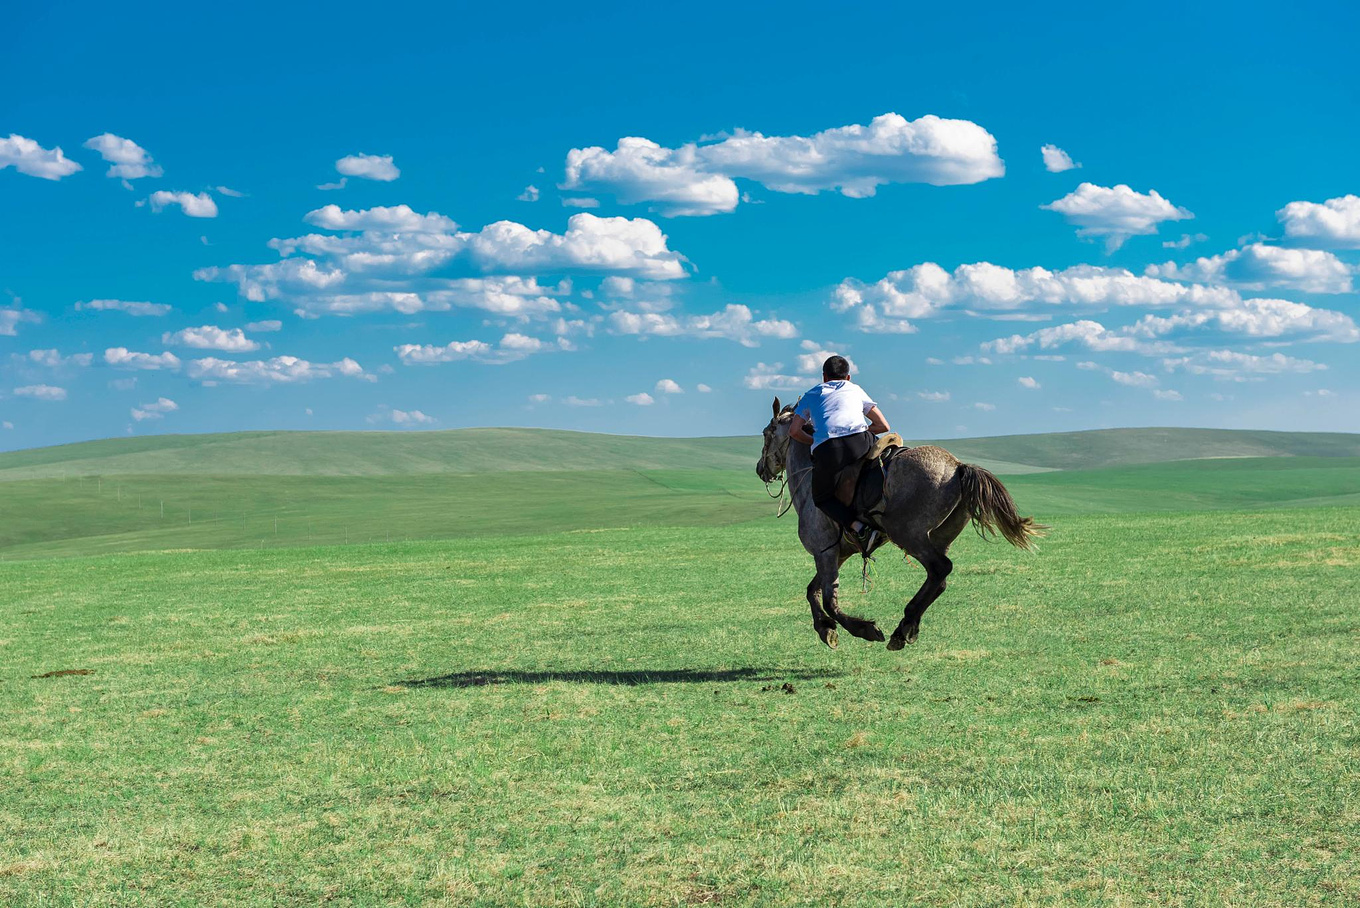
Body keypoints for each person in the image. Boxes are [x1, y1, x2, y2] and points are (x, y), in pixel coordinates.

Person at [788, 355, 892, 549]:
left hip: (830, 450)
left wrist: (815, 441)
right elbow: (883, 425)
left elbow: (794, 431)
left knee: (821, 498)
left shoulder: (812, 394)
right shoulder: (856, 389)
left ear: (824, 377)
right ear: (849, 377)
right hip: (860, 443)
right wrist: (859, 433)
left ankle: (858, 527)